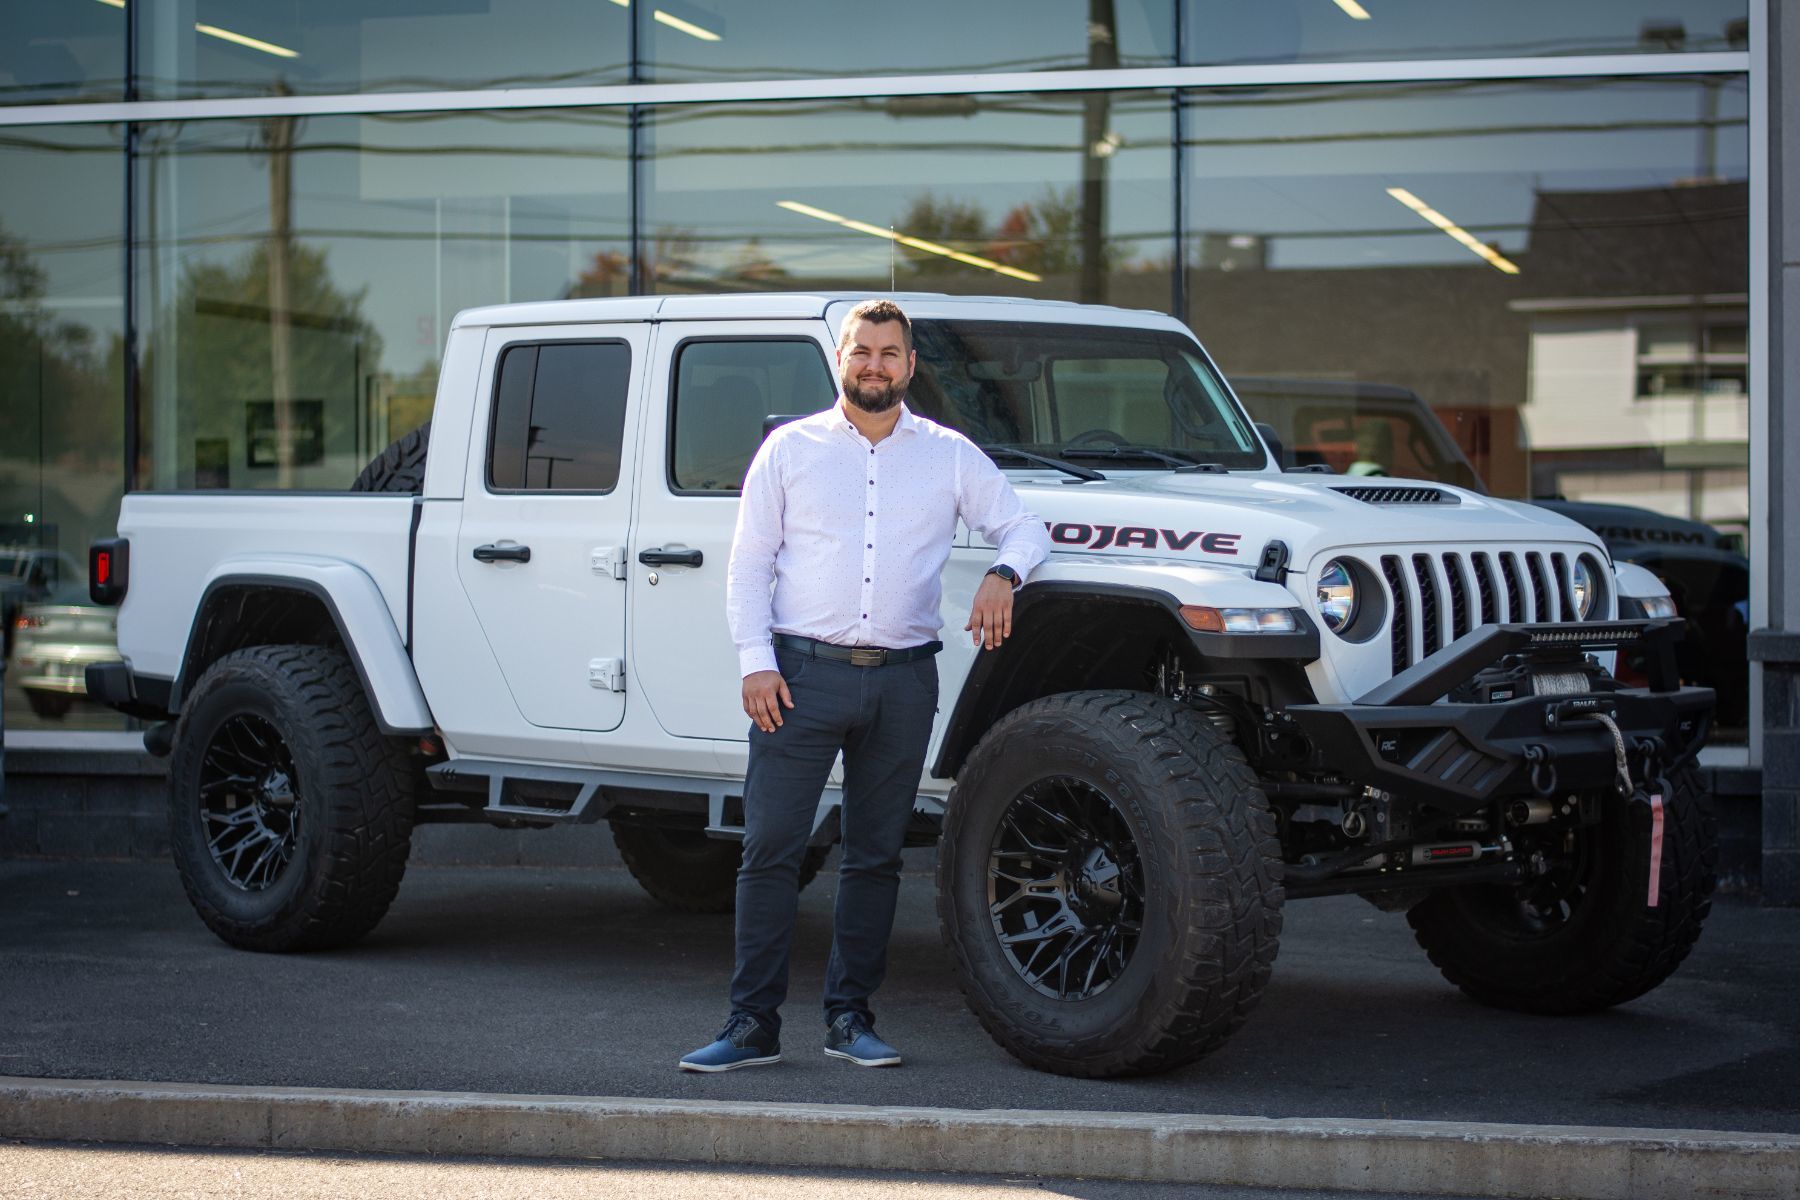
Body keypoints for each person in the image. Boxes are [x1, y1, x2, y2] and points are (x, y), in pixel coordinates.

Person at [679, 298, 1052, 1072]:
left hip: (904, 684)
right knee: (770, 851)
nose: (874, 365)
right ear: (838, 360)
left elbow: (1025, 527)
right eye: (861, 352)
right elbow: (749, 564)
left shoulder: (949, 455)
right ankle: (751, 1026)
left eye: (889, 353)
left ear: (911, 366)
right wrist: (756, 659)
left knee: (875, 857)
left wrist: (1002, 573)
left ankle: (850, 1019)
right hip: (799, 679)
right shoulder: (789, 450)